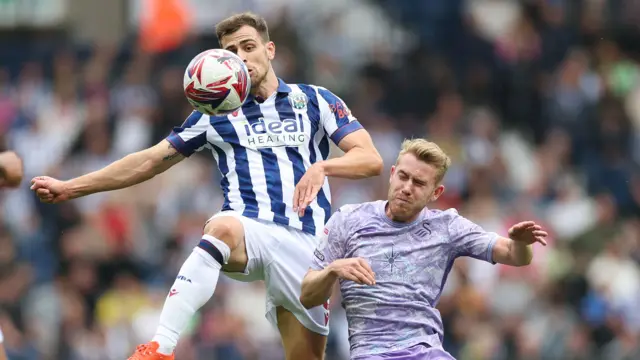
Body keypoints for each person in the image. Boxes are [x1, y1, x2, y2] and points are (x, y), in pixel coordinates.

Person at [30, 12, 383, 360]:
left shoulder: (315, 100)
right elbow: (149, 161)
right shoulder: (213, 113)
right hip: (249, 229)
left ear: (270, 49)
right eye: (233, 51)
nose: (242, 57)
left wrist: (324, 166)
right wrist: (72, 187)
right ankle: (160, 348)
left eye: (248, 46)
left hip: (309, 245)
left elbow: (370, 159)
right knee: (221, 227)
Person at [300, 138, 548, 360]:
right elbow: (307, 295)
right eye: (403, 177)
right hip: (372, 353)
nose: (407, 188)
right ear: (392, 174)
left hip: (426, 352)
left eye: (419, 183)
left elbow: (515, 256)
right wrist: (333, 270)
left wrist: (522, 243)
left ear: (435, 192)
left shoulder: (446, 227)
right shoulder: (349, 220)